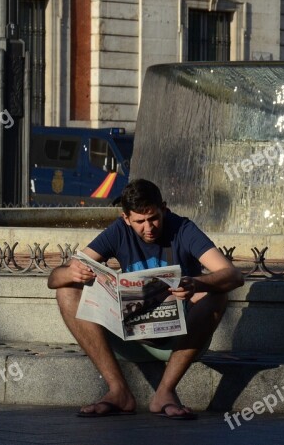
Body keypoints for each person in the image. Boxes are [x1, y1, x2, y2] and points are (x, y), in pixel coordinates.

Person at [48, 178, 243, 419]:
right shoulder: (118, 232)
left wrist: (196, 283)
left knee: (217, 295)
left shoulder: (183, 229)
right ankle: (119, 391)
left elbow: (233, 275)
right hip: (130, 337)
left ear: (164, 208)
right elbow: (53, 279)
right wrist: (70, 272)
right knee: (66, 290)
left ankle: (165, 392)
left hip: (179, 338)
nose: (148, 227)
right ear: (126, 219)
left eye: (154, 218)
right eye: (139, 222)